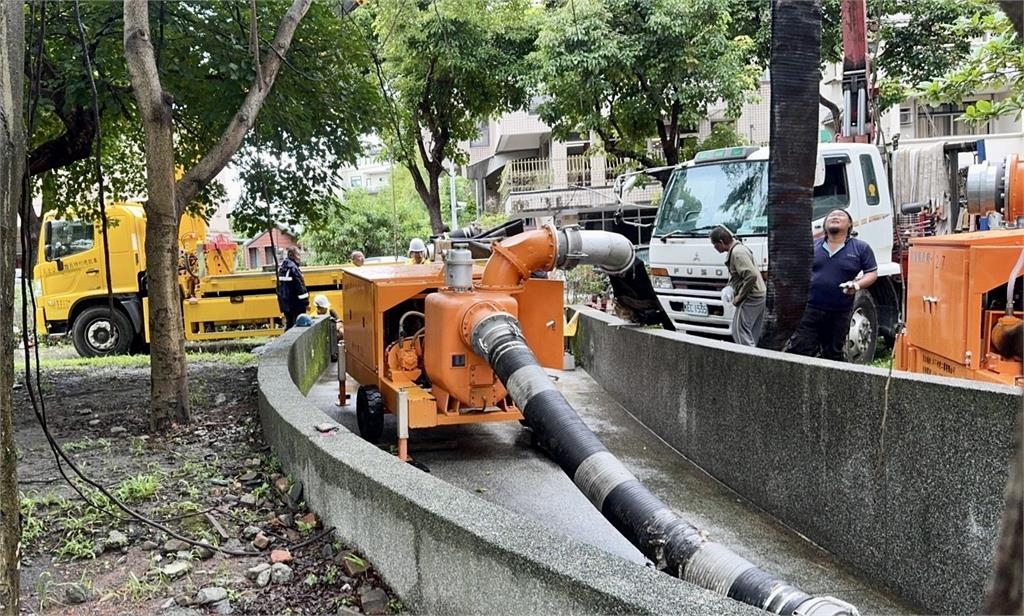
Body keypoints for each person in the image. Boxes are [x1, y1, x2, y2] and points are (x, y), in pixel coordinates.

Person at [788, 208, 878, 360]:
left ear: (849, 225)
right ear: (824, 225)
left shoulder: (860, 248)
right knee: (800, 350)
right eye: (831, 216)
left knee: (833, 354)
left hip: (840, 312)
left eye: (840, 215)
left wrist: (857, 285)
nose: (835, 216)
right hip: (810, 309)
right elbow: (798, 271)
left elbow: (871, 273)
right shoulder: (812, 247)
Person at [710, 226, 765, 346]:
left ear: (721, 242)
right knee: (752, 332)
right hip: (759, 295)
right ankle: (755, 358)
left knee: (738, 331)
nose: (715, 248)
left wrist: (739, 297)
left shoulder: (737, 252)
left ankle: (747, 360)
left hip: (752, 296)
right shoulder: (738, 249)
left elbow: (751, 276)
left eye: (715, 245)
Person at [276, 246, 309, 330]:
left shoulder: (282, 268)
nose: (299, 257)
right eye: (298, 255)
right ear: (292, 255)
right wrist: (306, 302)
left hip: (286, 304)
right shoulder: (293, 268)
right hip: (296, 304)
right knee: (298, 326)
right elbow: (300, 288)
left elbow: (279, 288)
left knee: (289, 324)